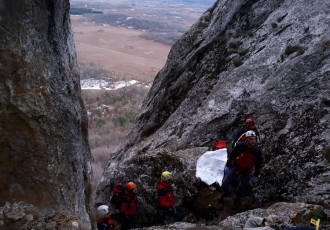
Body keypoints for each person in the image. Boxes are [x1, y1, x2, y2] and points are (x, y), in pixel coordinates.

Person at [220, 130, 263, 207]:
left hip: (246, 172)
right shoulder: (240, 146)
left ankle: (237, 199)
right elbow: (232, 155)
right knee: (224, 184)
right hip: (236, 168)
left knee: (242, 187)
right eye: (251, 139)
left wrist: (255, 175)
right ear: (247, 139)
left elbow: (258, 165)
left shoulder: (257, 151)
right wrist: (228, 164)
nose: (253, 141)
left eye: (254, 139)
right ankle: (227, 193)